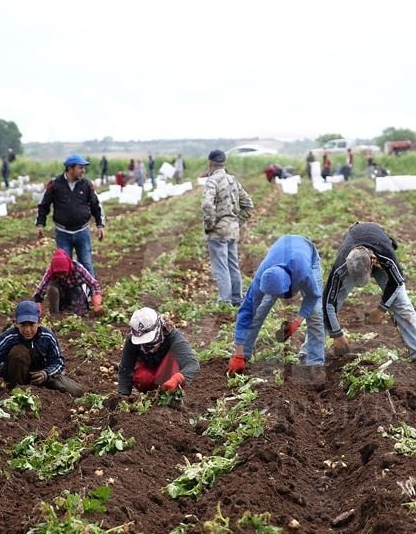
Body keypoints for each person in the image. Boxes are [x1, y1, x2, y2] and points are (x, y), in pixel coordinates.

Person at [228, 235, 326, 386]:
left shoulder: (303, 272)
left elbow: (312, 297)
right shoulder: (262, 277)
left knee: (316, 314)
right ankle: (244, 357)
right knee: (258, 312)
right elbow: (245, 312)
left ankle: (315, 362)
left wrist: (296, 323)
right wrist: (238, 354)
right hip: (280, 254)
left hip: (307, 255)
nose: (277, 299)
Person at [324, 222, 416, 361]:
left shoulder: (386, 256)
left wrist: (382, 309)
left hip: (378, 253)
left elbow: (397, 282)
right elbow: (327, 303)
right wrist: (336, 335)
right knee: (329, 306)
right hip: (354, 255)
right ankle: (311, 355)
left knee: (402, 305)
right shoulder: (341, 267)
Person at [0, 300, 82, 397]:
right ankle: (16, 392)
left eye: (31, 324)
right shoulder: (9, 338)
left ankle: (38, 389)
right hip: (13, 379)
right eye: (23, 325)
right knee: (18, 352)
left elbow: (58, 361)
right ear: (16, 323)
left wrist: (46, 373)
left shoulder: (47, 336)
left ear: (39, 322)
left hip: (40, 377)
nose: (27, 330)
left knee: (77, 391)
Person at [36, 154, 105, 279]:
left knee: (86, 263)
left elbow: (95, 205)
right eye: (80, 167)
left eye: (84, 168)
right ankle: (68, 295)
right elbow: (44, 205)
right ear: (70, 168)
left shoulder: (86, 185)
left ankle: (92, 294)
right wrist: (40, 223)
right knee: (63, 267)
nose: (83, 171)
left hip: (82, 231)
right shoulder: (55, 184)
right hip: (63, 233)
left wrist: (100, 225)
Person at [202, 150, 254, 305]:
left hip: (218, 231)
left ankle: (224, 301)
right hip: (232, 230)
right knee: (232, 264)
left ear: (210, 163)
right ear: (223, 163)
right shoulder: (232, 180)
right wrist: (237, 222)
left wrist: (210, 225)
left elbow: (207, 205)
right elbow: (248, 205)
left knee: (221, 266)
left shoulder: (212, 181)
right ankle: (237, 298)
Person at [117, 307, 199, 397]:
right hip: (148, 370)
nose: (145, 343)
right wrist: (123, 395)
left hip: (167, 372)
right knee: (142, 378)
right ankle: (153, 396)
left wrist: (178, 378)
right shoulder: (131, 340)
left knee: (174, 367)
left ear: (158, 328)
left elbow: (192, 364)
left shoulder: (173, 337)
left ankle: (171, 396)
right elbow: (126, 367)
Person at [34, 248, 103, 317]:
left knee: (75, 314)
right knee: (52, 288)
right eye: (58, 274)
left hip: (75, 291)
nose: (61, 276)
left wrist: (97, 304)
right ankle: (55, 315)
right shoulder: (51, 271)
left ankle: (74, 310)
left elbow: (93, 284)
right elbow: (40, 290)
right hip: (61, 293)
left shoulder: (77, 268)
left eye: (64, 273)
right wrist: (37, 307)